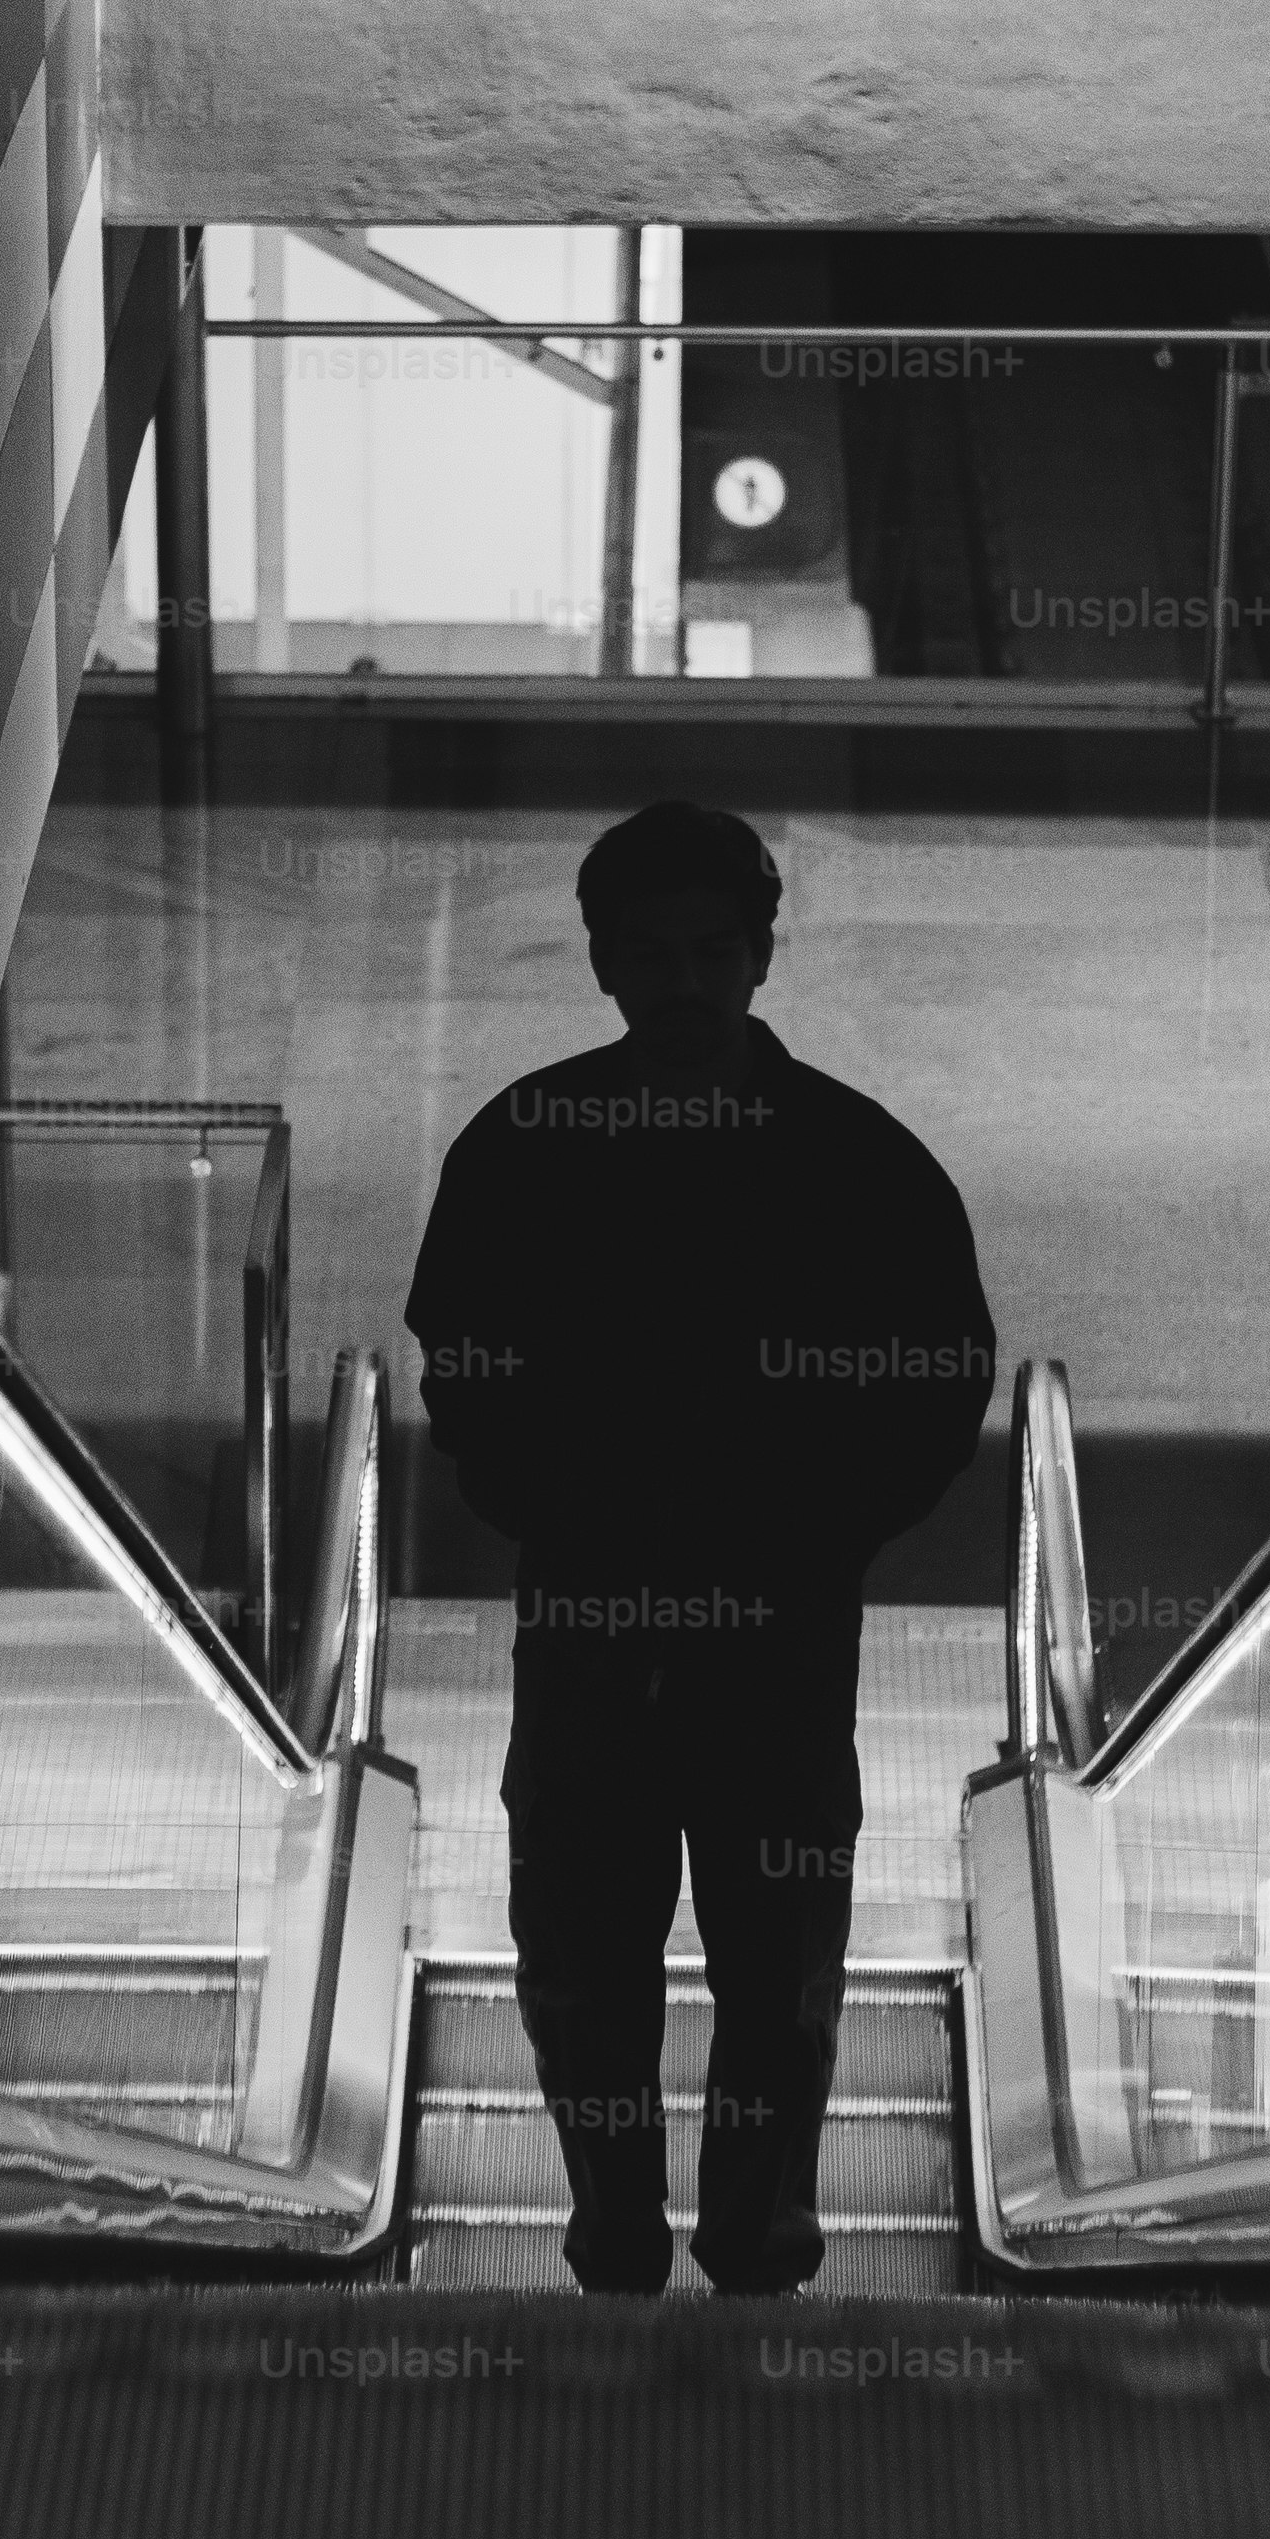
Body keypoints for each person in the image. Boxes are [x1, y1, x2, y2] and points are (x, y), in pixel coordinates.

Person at [406, 803, 995, 2292]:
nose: (682, 988)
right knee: (601, 1960)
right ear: (604, 964)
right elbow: (462, 1362)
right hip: (687, 1626)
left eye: (710, 956)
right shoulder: (827, 1158)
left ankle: (729, 2224)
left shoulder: (810, 1159)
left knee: (768, 1963)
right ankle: (648, 2221)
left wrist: (774, 1529)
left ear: (759, 958)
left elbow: (936, 1377)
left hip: (719, 1627)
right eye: (652, 959)